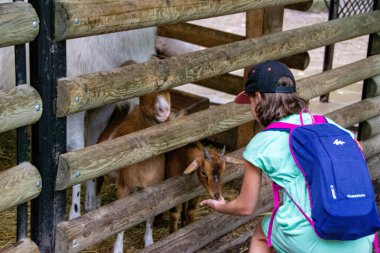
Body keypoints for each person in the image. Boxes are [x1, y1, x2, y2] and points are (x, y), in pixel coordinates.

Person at [199, 61, 374, 253]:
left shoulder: (261, 142)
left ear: (257, 97)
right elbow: (357, 149)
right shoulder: (328, 124)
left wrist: (221, 206)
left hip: (312, 237)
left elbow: (245, 208)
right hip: (362, 235)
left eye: (249, 101)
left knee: (261, 234)